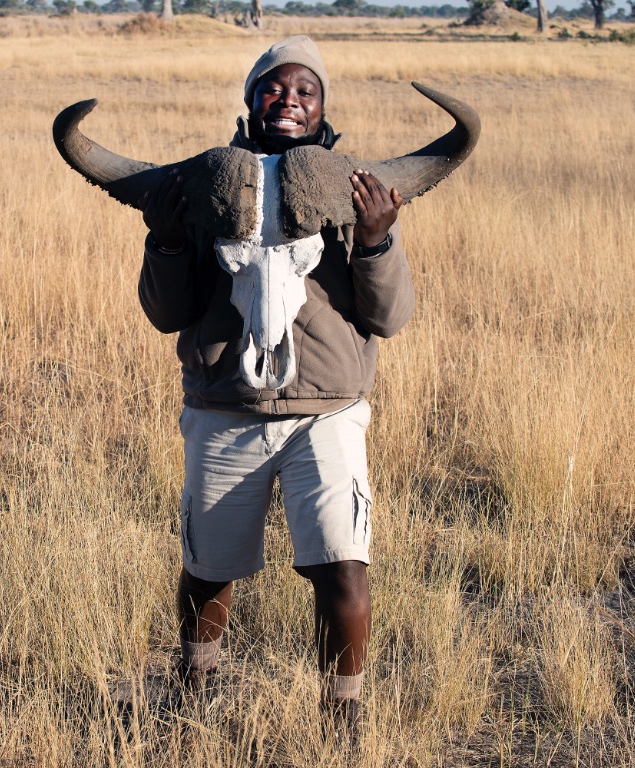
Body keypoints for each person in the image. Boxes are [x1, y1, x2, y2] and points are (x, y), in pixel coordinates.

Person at [137, 35, 415, 744]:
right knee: (208, 570)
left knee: (344, 570)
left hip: (326, 410)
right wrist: (167, 241)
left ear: (322, 107)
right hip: (223, 407)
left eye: (306, 90)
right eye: (274, 87)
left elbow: (390, 318)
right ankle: (195, 688)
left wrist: (377, 239)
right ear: (251, 98)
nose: (289, 99)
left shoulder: (350, 190)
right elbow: (167, 313)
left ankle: (343, 718)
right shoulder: (207, 182)